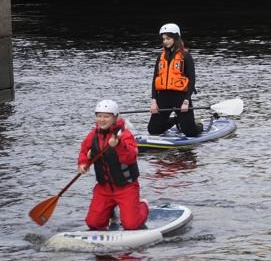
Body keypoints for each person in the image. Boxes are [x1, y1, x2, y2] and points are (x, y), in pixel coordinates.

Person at [78, 99, 149, 230]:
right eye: (99, 116)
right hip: (103, 188)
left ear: (115, 117)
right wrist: (83, 164)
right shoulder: (93, 134)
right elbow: (84, 151)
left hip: (126, 187)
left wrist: (118, 145)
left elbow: (131, 157)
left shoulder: (125, 135)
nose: (102, 120)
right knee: (94, 224)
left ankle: (142, 206)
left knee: (131, 225)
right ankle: (111, 211)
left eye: (106, 116)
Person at [149, 22, 201, 137]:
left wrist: (186, 101)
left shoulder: (186, 56)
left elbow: (192, 81)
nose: (165, 41)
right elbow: (155, 79)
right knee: (153, 130)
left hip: (181, 97)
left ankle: (198, 126)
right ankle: (175, 120)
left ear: (176, 38)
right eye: (163, 39)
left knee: (190, 132)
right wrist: (153, 100)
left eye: (168, 38)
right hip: (163, 97)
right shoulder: (160, 57)